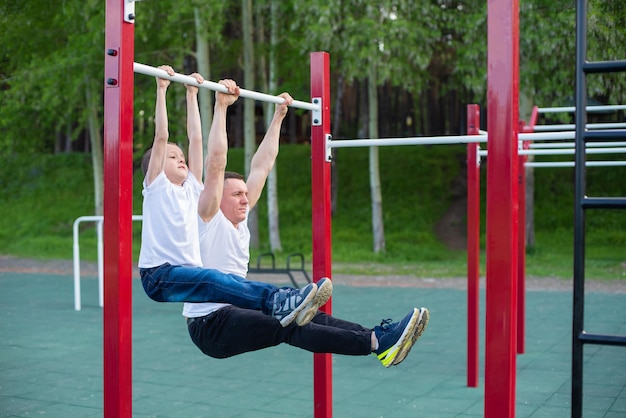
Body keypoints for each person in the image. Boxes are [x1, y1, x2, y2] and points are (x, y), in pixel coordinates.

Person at [183, 91, 429, 368]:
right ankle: (375, 343)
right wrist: (221, 107)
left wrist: (278, 117)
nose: (244, 198)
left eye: (245, 193)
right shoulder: (208, 218)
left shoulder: (241, 217)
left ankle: (378, 339)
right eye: (236, 194)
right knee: (289, 323)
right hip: (210, 325)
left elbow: (262, 166)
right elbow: (216, 161)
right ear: (217, 198)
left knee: (305, 314)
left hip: (237, 311)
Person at [138, 66, 327, 327]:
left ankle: (286, 302)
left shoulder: (193, 188)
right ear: (155, 167)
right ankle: (280, 301)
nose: (180, 159)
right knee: (215, 279)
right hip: (158, 275)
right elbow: (162, 136)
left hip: (188, 274)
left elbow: (196, 139)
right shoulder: (156, 185)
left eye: (181, 157)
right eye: (172, 157)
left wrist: (192, 94)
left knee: (229, 282)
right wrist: (161, 89)